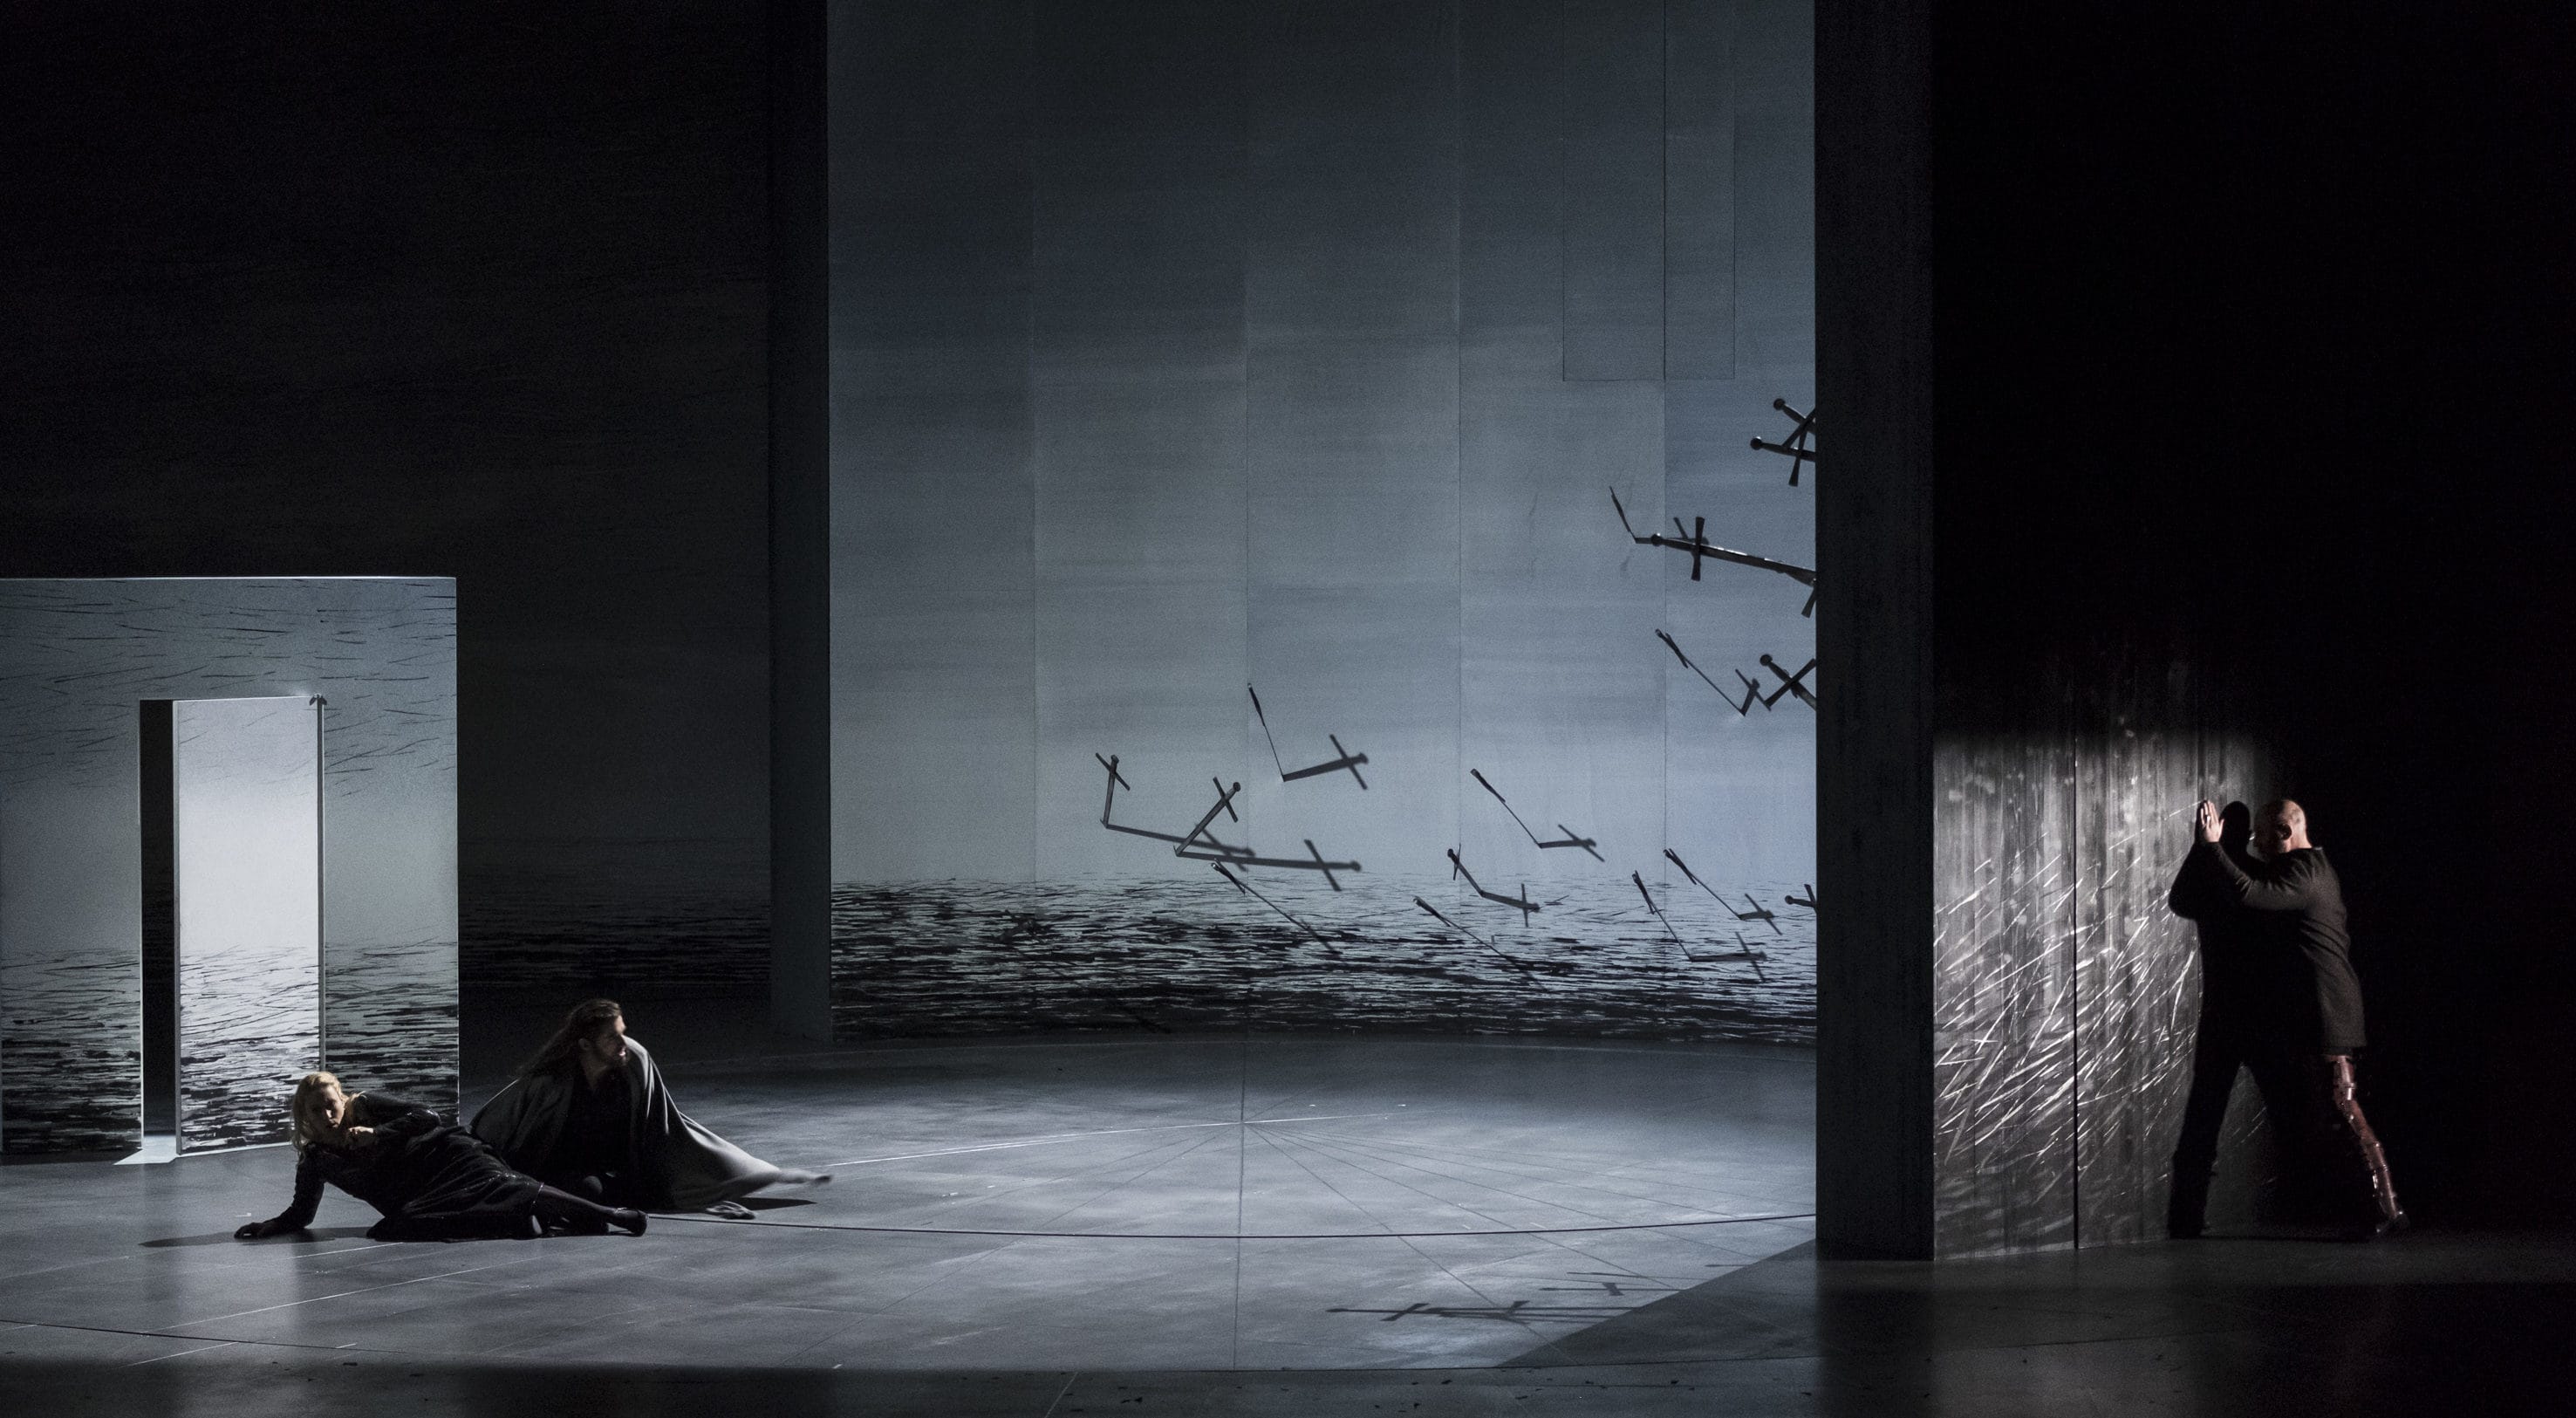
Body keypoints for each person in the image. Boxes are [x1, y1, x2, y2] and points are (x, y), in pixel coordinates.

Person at [2187, 797, 2407, 1239]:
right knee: (2330, 1115)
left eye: (2262, 834)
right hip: (2317, 1013)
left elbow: (2250, 893)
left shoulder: (2306, 872)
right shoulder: (2297, 868)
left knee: (2342, 1111)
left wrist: (2212, 848)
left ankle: (2386, 1208)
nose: (2255, 842)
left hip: (2328, 1013)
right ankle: (2372, 1210)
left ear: (2285, 833)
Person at [471, 998, 827, 1217]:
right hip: (564, 1167)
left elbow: (664, 1127)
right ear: (584, 1045)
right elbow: (498, 1122)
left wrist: (697, 1196)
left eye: (623, 1032)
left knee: (622, 1190)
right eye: (612, 1037)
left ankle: (767, 1174)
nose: (623, 1043)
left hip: (616, 1167)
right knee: (589, 1191)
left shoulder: (633, 1065)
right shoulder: (552, 1082)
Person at [235, 1072, 645, 1242]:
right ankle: (527, 1220)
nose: (328, 1114)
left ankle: (612, 1215)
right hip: (414, 1197)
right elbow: (302, 1213)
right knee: (395, 1229)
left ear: (341, 1099)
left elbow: (427, 1116)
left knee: (505, 1184)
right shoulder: (316, 1158)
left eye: (331, 1104)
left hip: (444, 1158)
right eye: (317, 1110)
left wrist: (379, 1134)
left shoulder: (365, 1108)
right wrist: (270, 1225)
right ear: (304, 1117)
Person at [2163, 801, 2313, 1238]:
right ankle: (2313, 1203)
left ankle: (2185, 1216)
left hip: (2222, 1016)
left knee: (2203, 1117)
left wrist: (2202, 848)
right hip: (2264, 1014)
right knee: (2288, 1115)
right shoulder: (2256, 875)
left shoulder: (2210, 877)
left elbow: (2178, 901)